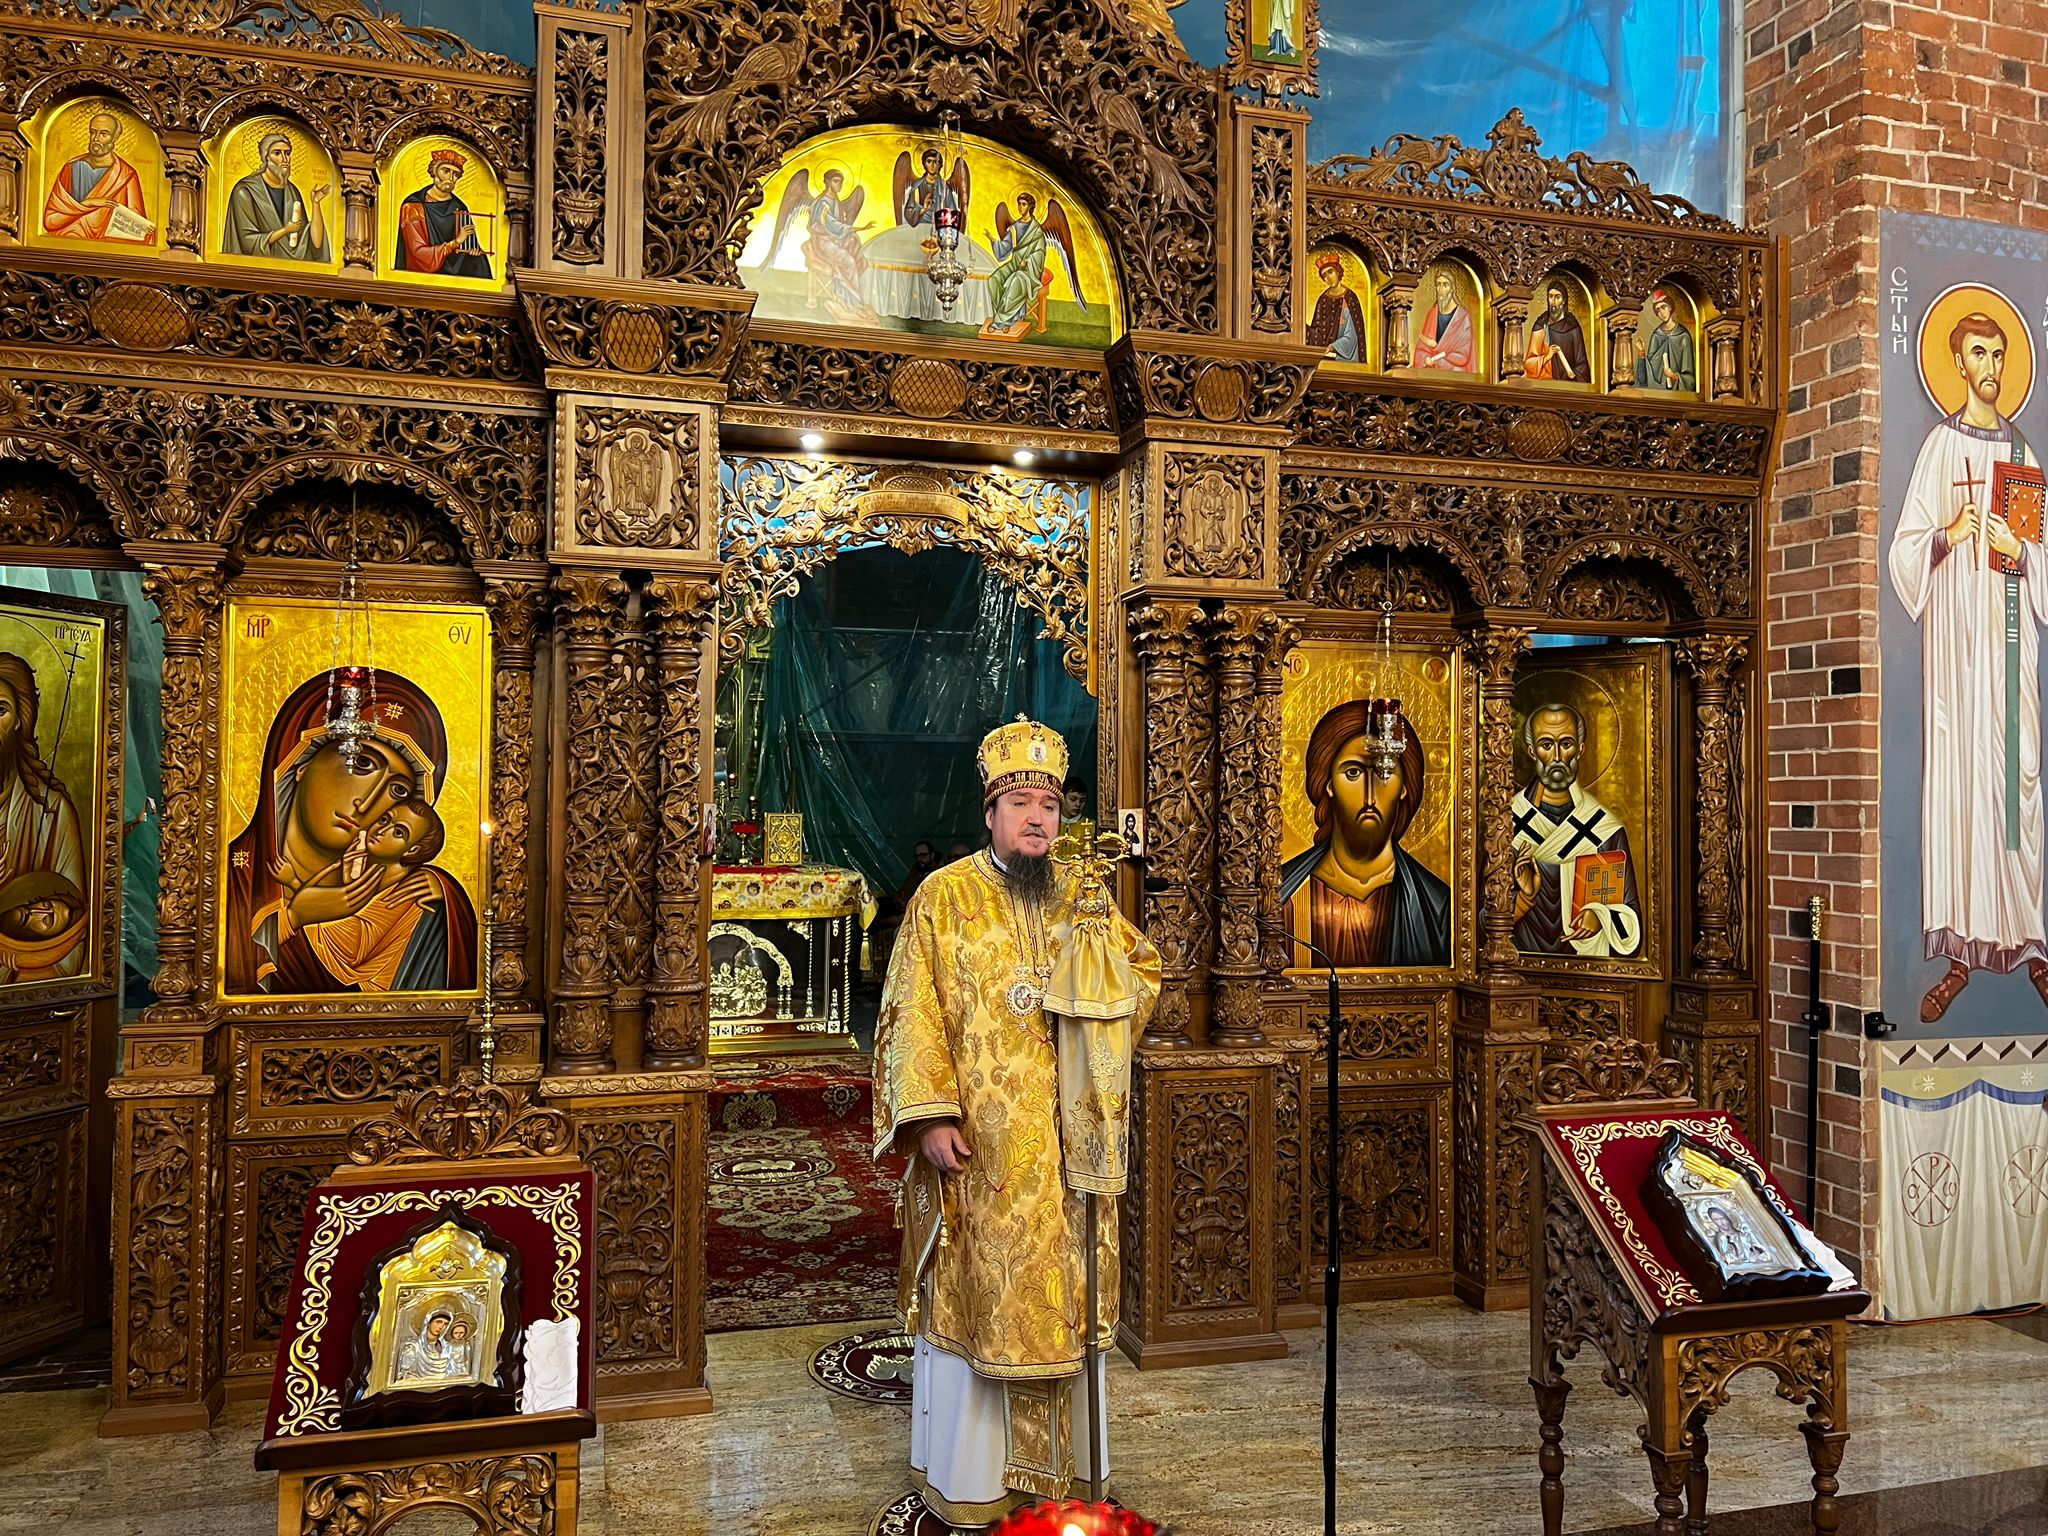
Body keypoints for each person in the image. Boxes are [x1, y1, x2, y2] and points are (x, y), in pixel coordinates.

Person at [874, 719, 1160, 1527]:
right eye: (1023, 804)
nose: (1039, 818)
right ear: (991, 813)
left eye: (1051, 806)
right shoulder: (944, 897)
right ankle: (972, 1483)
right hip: (982, 1152)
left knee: (1066, 1305)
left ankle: (1063, 1484)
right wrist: (930, 1117)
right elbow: (910, 1011)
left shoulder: (1085, 895)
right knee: (981, 1303)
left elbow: (1142, 975)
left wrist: (1102, 989)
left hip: (1069, 1155)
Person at [1887, 311, 2046, 1020]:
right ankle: (1959, 960)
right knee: (1959, 791)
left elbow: (2040, 554)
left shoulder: (2021, 455)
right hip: (1956, 649)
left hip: (2008, 647)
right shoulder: (1938, 448)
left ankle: (2032, 947)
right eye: (1977, 353)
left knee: (2018, 787)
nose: (1989, 366)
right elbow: (1904, 548)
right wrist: (1948, 535)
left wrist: (2020, 551)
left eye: (1998, 353)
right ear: (1957, 364)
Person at [223, 670, 477, 994]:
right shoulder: (229, 879)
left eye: (397, 791)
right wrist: (295, 915)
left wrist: (448, 896)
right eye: (360, 764)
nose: (369, 804)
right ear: (300, 764)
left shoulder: (418, 900)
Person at [1280, 700, 1451, 968]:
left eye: (1385, 773)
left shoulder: (1437, 906)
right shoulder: (1286, 895)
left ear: (1405, 787)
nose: (1370, 796)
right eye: (1353, 773)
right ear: (1328, 784)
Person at [1511, 702, 1641, 958]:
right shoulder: (1509, 823)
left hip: (1587, 972)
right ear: (1532, 751)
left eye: (1566, 744)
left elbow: (1632, 926)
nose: (1557, 757)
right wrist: (1523, 900)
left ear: (1580, 749)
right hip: (1519, 967)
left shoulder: (1604, 828)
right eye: (1546, 745)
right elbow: (1476, 926)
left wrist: (1601, 917)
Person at [284, 800, 453, 993]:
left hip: (362, 991)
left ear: (412, 850)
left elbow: (351, 949)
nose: (381, 830)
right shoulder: (363, 870)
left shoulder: (411, 891)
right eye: (384, 820)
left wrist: (296, 913)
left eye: (398, 832)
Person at [0, 655, 87, 983]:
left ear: (19, 722)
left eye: (0, 710)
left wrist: (23, 957)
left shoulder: (51, 813)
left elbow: (74, 936)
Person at [42, 109, 153, 244]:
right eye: (93, 132)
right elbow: (51, 220)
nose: (96, 138)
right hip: (70, 240)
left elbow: (137, 224)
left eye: (103, 134)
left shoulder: (126, 175)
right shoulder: (71, 169)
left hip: (110, 245)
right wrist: (87, 204)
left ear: (115, 138)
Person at [221, 130, 330, 262]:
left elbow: (312, 244)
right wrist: (285, 230)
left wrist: (316, 203)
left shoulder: (292, 191)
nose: (285, 159)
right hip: (255, 267)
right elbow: (248, 242)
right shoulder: (245, 191)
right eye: (277, 153)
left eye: (287, 153)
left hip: (292, 269)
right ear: (266, 157)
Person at [394, 147, 493, 279]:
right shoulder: (413, 206)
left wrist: (473, 252)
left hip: (455, 275)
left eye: (456, 174)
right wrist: (455, 243)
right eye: (446, 171)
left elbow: (467, 247)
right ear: (434, 172)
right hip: (422, 274)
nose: (451, 178)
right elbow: (418, 253)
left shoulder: (460, 207)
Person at [1524, 282, 1589, 382]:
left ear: (1564, 300)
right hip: (1546, 383)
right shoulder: (1541, 325)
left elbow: (1582, 364)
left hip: (1569, 385)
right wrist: (1547, 356)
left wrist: (1573, 376)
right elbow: (1529, 364)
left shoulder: (1573, 328)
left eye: (1557, 297)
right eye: (1550, 297)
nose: (1553, 301)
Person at [1413, 268, 1475, 372]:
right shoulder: (1432, 314)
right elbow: (1421, 349)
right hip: (1432, 371)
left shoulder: (1463, 317)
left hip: (1453, 371)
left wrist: (1438, 359)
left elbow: (1463, 356)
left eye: (1445, 285)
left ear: (1452, 289)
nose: (1441, 289)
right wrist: (1425, 358)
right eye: (1438, 284)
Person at [1306, 253, 1366, 362]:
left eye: (1330, 272)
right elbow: (1318, 332)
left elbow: (1353, 335)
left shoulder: (1350, 297)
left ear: (1338, 272)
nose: (1328, 278)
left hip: (1346, 355)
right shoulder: (1323, 299)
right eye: (1324, 275)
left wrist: (1334, 346)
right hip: (1327, 355)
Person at [1635, 288, 1695, 391]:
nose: (1661, 313)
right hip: (1657, 391)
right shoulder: (1656, 336)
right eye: (1658, 310)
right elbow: (1648, 373)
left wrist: (1674, 376)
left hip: (1678, 394)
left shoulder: (1683, 336)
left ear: (1670, 307)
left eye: (1663, 307)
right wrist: (1641, 353)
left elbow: (1690, 378)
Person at [397, 1311, 458, 1381]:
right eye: (438, 1322)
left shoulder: (448, 1348)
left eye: (446, 1324)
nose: (441, 1327)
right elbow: (406, 1375)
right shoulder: (413, 1347)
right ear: (428, 1323)